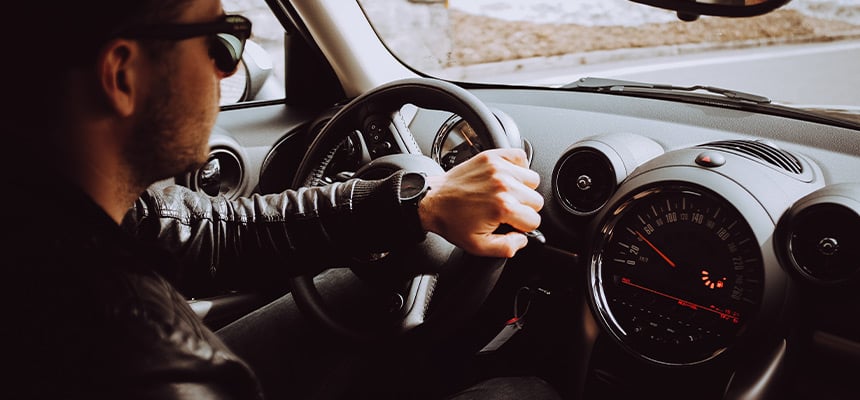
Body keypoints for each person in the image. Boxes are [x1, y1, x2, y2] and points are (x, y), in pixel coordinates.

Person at [3, 0, 558, 399]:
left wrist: (419, 205)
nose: (232, 67)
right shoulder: (162, 374)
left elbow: (209, 233)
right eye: (222, 40)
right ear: (121, 73)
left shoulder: (52, 207)